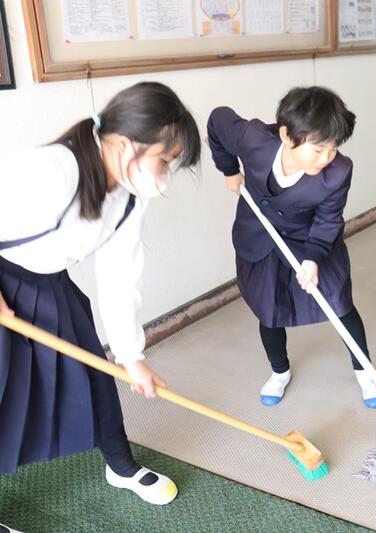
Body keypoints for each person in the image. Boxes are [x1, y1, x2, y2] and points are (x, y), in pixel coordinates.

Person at [0, 81, 201, 510]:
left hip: (48, 285)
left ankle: (121, 466)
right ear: (126, 145)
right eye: (164, 160)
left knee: (95, 378)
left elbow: (119, 278)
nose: (164, 173)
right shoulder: (52, 170)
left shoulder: (130, 198)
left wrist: (132, 357)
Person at [207, 86, 376, 408]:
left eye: (333, 148)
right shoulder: (253, 140)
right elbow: (218, 120)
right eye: (318, 149)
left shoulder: (337, 173)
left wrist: (313, 258)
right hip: (259, 236)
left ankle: (365, 372)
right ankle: (279, 372)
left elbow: (328, 220)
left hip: (309, 238)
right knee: (268, 309)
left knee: (338, 303)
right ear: (287, 135)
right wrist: (229, 170)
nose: (326, 158)